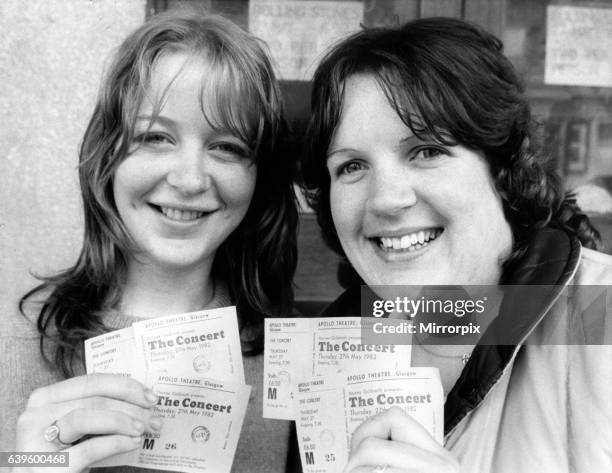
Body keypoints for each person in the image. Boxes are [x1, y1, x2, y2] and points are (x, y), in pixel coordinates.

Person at [301, 17, 611, 473]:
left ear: (504, 168)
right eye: (351, 166)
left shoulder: (602, 319)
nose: (386, 199)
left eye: (427, 151)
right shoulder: (327, 356)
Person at [3, 10, 297, 473]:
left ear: (259, 175)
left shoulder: (288, 355)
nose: (189, 179)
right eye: (156, 137)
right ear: (108, 157)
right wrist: (28, 465)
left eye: (227, 147)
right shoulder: (23, 340)